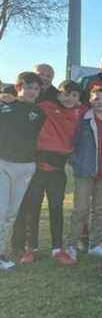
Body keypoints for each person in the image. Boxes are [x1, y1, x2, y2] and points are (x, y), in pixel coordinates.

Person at [11, 80, 83, 266]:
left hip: (58, 170)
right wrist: (6, 95)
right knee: (32, 208)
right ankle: (31, 248)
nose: (69, 98)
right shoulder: (45, 106)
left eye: (74, 95)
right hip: (39, 167)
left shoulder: (79, 111)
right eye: (66, 94)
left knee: (56, 208)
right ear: (58, 94)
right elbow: (22, 103)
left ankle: (57, 249)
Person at [67, 87, 102, 260]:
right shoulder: (82, 120)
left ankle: (95, 244)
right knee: (80, 210)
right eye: (96, 98)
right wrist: (76, 162)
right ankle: (71, 245)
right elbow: (72, 143)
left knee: (99, 210)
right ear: (90, 100)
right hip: (85, 172)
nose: (99, 101)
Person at [0, 72, 45, 270]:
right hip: (3, 163)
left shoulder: (39, 113)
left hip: (26, 166)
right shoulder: (5, 106)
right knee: (0, 210)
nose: (32, 92)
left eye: (36, 88)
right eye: (28, 87)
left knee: (11, 212)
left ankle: (1, 252)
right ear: (18, 87)